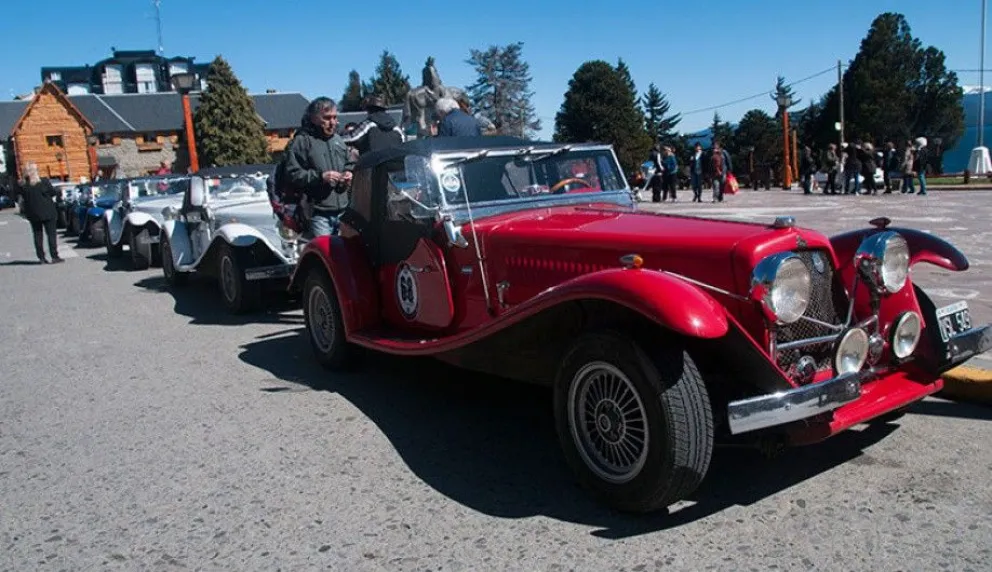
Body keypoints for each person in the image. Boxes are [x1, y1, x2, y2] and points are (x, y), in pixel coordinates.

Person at [283, 97, 354, 237]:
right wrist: (320, 177)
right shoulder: (301, 142)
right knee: (323, 256)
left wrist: (349, 173)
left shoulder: (338, 140)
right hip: (318, 214)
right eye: (327, 118)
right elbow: (291, 173)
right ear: (314, 118)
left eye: (334, 117)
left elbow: (349, 164)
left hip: (344, 213)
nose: (332, 122)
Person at [18, 163, 62, 263]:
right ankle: (54, 256)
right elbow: (52, 193)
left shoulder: (23, 185)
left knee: (37, 235)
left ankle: (41, 257)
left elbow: (21, 199)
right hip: (48, 212)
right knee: (51, 234)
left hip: (33, 214)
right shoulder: (44, 182)